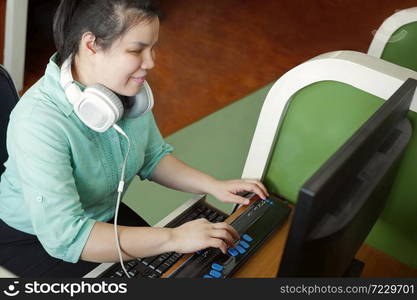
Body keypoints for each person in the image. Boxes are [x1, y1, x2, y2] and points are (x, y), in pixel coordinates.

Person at [0, 0, 268, 277]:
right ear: (91, 44)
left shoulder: (124, 91)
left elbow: (152, 155)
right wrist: (173, 238)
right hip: (35, 238)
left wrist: (213, 185)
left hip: (101, 216)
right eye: (136, 50)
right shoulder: (38, 121)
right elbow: (67, 236)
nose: (151, 62)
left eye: (152, 48)